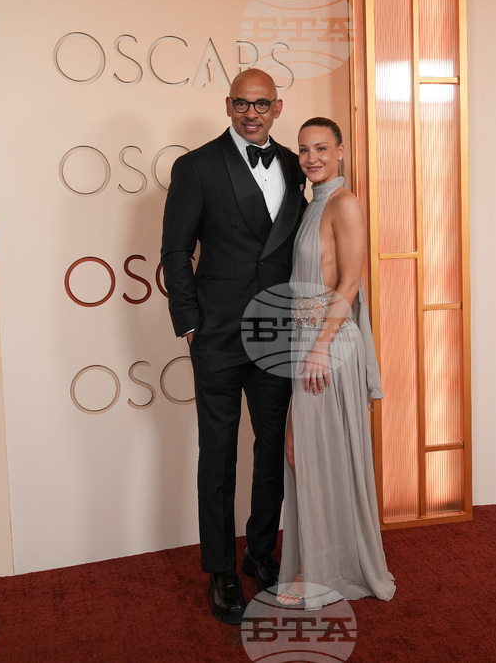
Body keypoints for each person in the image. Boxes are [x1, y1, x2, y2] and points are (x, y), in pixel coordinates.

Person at [160, 69, 307, 625]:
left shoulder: (295, 166)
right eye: (242, 104)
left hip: (276, 334)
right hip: (218, 334)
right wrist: (189, 323)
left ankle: (260, 552)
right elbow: (176, 252)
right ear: (228, 105)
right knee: (217, 457)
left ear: (278, 107)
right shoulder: (196, 166)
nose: (252, 113)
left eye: (262, 104)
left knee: (271, 451)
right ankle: (220, 569)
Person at [277, 117, 396, 609]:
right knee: (304, 454)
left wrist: (322, 347)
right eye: (304, 150)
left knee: (316, 457)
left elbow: (350, 282)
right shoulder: (312, 205)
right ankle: (322, 564)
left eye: (322, 148)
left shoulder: (344, 204)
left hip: (327, 344)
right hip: (305, 340)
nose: (311, 158)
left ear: (341, 151)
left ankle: (326, 574)